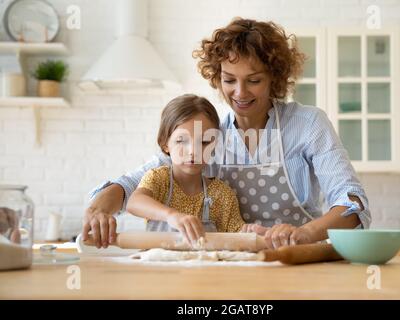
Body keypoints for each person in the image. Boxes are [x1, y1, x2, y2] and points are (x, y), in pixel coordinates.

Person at [83, 18, 371, 249]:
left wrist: (305, 233)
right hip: (233, 261)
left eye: (254, 80)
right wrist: (98, 210)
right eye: (229, 80)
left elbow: (352, 203)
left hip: (295, 258)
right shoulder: (208, 133)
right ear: (216, 77)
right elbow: (132, 184)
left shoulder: (308, 124)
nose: (240, 92)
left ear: (275, 77)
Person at [126, 94, 252, 246]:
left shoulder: (221, 194)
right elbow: (134, 203)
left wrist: (251, 232)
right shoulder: (159, 179)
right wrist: (171, 216)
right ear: (165, 143)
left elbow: (238, 236)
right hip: (157, 267)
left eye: (204, 141)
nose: (193, 151)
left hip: (204, 269)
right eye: (181, 141)